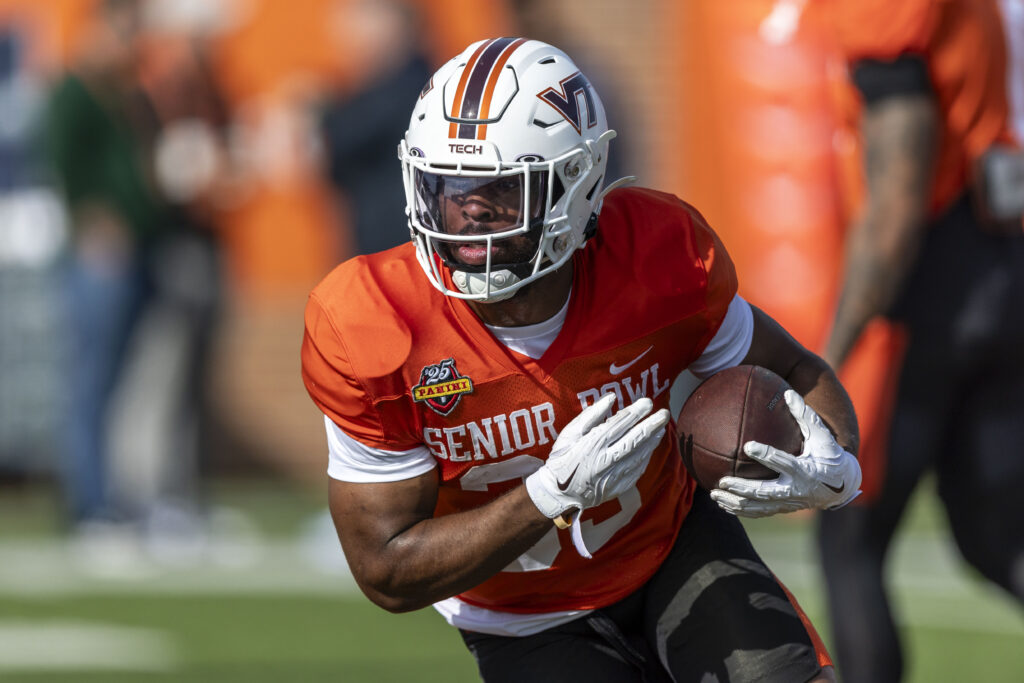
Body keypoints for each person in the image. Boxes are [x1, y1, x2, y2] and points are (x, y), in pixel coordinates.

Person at [301, 37, 862, 682]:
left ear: (578, 185)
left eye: (501, 188)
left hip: (670, 546)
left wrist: (837, 463)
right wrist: (547, 494)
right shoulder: (372, 322)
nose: (468, 208)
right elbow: (387, 571)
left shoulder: (656, 256)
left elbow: (794, 370)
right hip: (520, 616)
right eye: (449, 185)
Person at [816, 1, 1024, 681]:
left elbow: (899, 201)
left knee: (848, 531)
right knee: (996, 537)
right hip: (997, 271)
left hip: (926, 295)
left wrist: (826, 357)